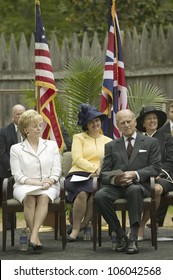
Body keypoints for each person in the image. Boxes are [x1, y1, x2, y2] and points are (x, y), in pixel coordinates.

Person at [94, 109, 162, 254]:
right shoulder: (111, 145)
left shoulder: (151, 142)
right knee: (99, 196)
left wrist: (135, 174)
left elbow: (155, 168)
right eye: (122, 123)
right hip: (117, 186)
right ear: (118, 125)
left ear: (135, 122)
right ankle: (120, 234)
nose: (126, 125)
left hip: (138, 184)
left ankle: (133, 238)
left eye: (128, 121)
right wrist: (116, 179)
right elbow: (104, 173)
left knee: (134, 190)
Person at [10, 109, 61, 251]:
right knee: (29, 199)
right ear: (25, 129)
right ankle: (35, 236)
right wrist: (38, 183)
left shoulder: (51, 145)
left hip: (49, 185)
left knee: (44, 197)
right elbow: (18, 175)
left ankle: (33, 235)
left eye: (40, 125)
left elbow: (57, 170)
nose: (39, 128)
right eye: (35, 126)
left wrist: (50, 181)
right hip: (24, 185)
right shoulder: (16, 149)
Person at [65, 103, 112, 242]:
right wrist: (94, 169)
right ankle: (75, 229)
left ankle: (84, 224)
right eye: (91, 122)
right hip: (78, 174)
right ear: (86, 125)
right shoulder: (78, 137)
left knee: (95, 196)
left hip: (100, 176)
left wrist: (100, 172)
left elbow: (110, 162)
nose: (95, 124)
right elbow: (77, 159)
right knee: (82, 193)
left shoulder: (109, 141)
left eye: (97, 120)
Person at [136, 106, 173, 239]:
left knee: (155, 189)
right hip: (142, 177)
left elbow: (170, 161)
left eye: (154, 118)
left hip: (164, 178)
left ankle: (141, 225)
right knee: (132, 188)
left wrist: (159, 173)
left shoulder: (167, 138)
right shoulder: (138, 140)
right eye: (149, 118)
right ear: (143, 123)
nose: (152, 121)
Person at [0, 104, 26, 228]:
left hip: (27, 172)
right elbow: (2, 153)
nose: (20, 117)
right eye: (17, 114)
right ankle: (9, 228)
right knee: (8, 202)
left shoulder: (29, 131)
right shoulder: (4, 132)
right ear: (13, 116)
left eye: (22, 114)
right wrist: (14, 169)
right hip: (8, 172)